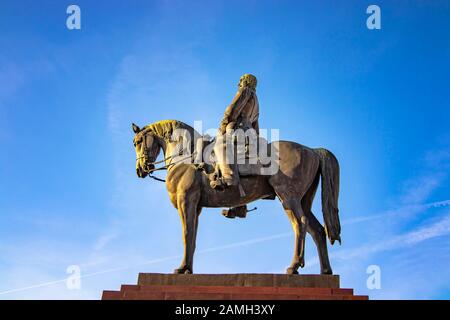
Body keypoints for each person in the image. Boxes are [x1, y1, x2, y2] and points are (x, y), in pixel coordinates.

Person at [210, 74, 260, 218]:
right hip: (249, 131)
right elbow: (256, 124)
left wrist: (223, 126)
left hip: (237, 128)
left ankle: (228, 178)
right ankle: (239, 206)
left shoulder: (245, 91)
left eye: (240, 80)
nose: (238, 83)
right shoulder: (257, 101)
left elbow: (232, 110)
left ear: (244, 82)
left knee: (219, 146)